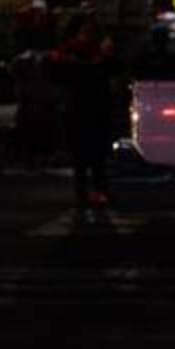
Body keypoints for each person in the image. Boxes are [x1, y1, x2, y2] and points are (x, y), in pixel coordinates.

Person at [49, 15, 119, 217]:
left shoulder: (100, 52)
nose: (87, 35)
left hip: (95, 107)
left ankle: (98, 190)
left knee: (97, 153)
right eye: (84, 31)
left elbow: (115, 68)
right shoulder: (69, 52)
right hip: (77, 107)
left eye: (91, 31)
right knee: (80, 154)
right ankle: (84, 193)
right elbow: (56, 73)